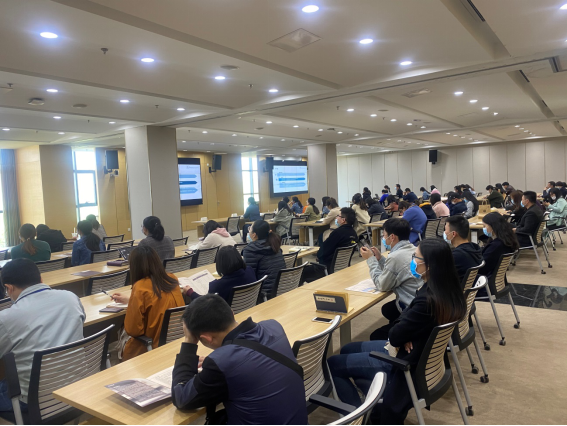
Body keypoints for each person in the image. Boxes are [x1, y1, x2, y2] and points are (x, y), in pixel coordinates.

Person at [328, 239, 466, 424]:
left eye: (416, 257)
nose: (413, 261)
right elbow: (404, 323)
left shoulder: (427, 300)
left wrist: (403, 333)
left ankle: (358, 418)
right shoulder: (447, 290)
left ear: (430, 266)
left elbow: (395, 335)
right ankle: (370, 400)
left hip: (403, 361)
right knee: (346, 349)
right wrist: (406, 333)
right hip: (417, 353)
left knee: (332, 364)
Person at [172, 295, 308, 424]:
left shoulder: (222, 362)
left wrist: (189, 342)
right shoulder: (274, 326)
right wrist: (222, 358)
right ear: (232, 314)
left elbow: (182, 398)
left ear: (206, 338)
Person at [0, 259, 85, 416]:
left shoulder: (7, 318)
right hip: (77, 387)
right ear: (40, 279)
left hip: (35, 401)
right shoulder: (71, 297)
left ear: (9, 288)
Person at [117, 246, 184, 361]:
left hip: (151, 347)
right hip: (176, 342)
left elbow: (133, 330)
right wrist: (130, 300)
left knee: (121, 336)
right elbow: (158, 300)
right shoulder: (172, 278)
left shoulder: (140, 287)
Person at [360, 219, 421, 340]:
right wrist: (380, 259)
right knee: (388, 309)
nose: (383, 238)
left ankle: (399, 335)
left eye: (384, 235)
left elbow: (382, 285)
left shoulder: (395, 257)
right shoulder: (413, 249)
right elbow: (395, 271)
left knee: (375, 336)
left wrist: (371, 260)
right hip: (418, 300)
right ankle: (397, 325)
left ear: (392, 237)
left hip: (411, 308)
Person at [183, 246, 257, 303]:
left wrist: (191, 293)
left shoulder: (217, 286)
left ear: (220, 265)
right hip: (249, 308)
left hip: (226, 316)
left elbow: (205, 305)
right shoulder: (250, 271)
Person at [242, 220, 286, 300]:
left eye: (250, 228)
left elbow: (249, 277)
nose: (249, 230)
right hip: (282, 289)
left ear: (254, 235)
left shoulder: (250, 250)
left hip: (264, 294)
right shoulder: (274, 244)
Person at [479, 212, 519, 281]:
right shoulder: (507, 240)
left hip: (485, 279)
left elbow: (482, 268)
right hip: (498, 280)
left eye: (485, 226)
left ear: (493, 227)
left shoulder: (496, 246)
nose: (484, 229)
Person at [444, 216, 482, 283]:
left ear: (453, 234)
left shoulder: (456, 256)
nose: (444, 232)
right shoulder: (475, 248)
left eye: (445, 230)